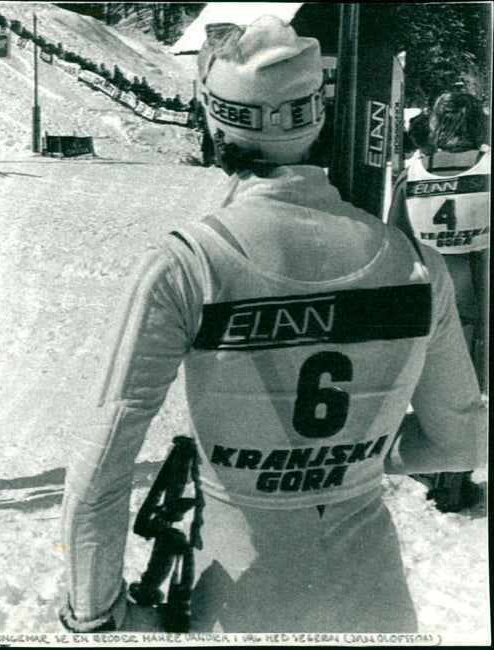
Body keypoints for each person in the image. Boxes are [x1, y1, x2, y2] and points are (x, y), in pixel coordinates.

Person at [59, 16, 486, 633]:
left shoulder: (185, 264)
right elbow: (461, 441)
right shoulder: (414, 260)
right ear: (317, 118)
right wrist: (361, 457)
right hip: (374, 594)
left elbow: (100, 467)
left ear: (216, 122)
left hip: (239, 590)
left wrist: (94, 614)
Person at [387, 90, 489, 513]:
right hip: (473, 303)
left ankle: (442, 478)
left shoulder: (410, 176)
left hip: (424, 303)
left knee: (432, 398)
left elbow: (393, 239)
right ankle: (454, 482)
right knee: (466, 397)